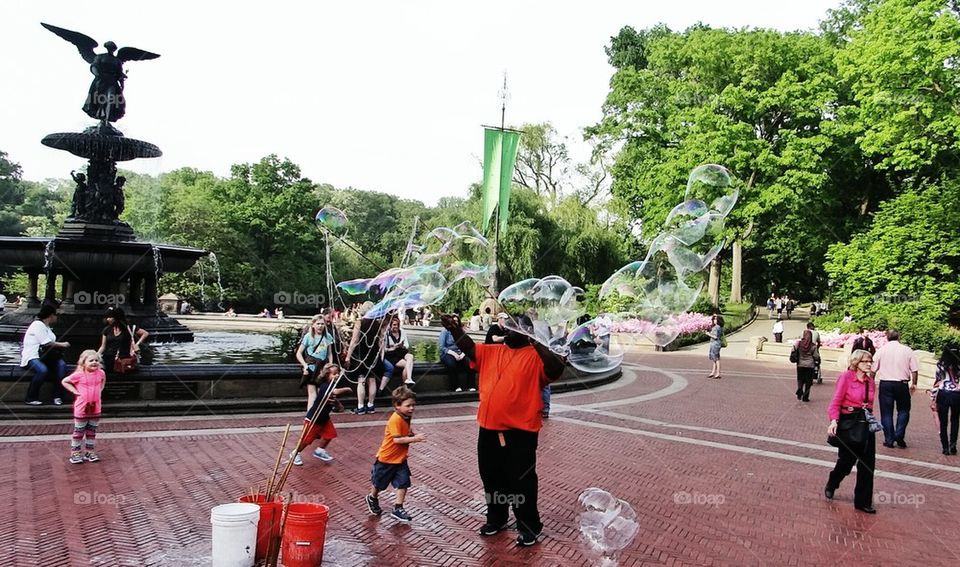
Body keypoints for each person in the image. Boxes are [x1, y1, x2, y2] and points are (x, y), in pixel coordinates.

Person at [440, 313, 565, 546]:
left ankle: (529, 525)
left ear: (527, 332)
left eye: (512, 328)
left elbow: (557, 369)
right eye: (505, 327)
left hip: (521, 432)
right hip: (488, 428)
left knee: (521, 480)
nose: (505, 331)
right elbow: (469, 347)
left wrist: (536, 342)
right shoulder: (492, 351)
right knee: (491, 477)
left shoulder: (536, 357)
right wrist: (455, 330)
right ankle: (496, 518)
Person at [825, 349, 878, 514]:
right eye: (865, 361)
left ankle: (862, 501)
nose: (869, 364)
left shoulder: (871, 381)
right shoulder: (846, 378)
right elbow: (836, 401)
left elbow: (870, 404)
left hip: (865, 423)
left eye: (870, 361)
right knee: (846, 462)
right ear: (856, 362)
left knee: (867, 464)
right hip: (849, 422)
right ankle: (833, 482)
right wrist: (834, 420)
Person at [364, 386, 426, 523]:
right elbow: (397, 440)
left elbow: (406, 432)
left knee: (403, 483)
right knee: (379, 483)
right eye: (408, 406)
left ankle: (398, 507)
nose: (412, 409)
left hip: (400, 459)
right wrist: (415, 439)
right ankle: (372, 497)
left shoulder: (406, 416)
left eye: (413, 405)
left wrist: (411, 434)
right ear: (397, 406)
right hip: (386, 459)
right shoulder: (395, 419)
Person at [290, 363, 351, 466]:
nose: (337, 376)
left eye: (338, 373)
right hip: (314, 418)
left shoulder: (330, 386)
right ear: (327, 375)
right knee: (307, 439)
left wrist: (338, 405)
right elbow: (334, 392)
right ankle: (295, 453)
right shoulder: (324, 386)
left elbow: (332, 399)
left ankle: (320, 450)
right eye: (334, 374)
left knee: (330, 434)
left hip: (324, 418)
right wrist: (347, 389)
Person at [872, 329, 919, 449]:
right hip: (902, 384)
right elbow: (914, 370)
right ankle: (899, 434)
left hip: (886, 383)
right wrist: (914, 383)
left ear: (887, 337)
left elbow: (873, 369)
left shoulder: (881, 350)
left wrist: (870, 382)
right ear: (899, 337)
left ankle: (889, 439)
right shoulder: (907, 350)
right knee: (904, 410)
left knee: (886, 412)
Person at [60, 350, 106, 464]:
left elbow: (103, 382)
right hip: (82, 408)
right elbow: (65, 381)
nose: (94, 362)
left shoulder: (101, 373)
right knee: (79, 432)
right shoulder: (79, 375)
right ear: (83, 362)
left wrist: (99, 390)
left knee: (92, 431)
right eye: (91, 360)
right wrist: (75, 392)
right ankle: (75, 453)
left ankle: (89, 451)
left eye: (96, 360)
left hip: (95, 408)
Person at [22, 303, 70, 405]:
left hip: (47, 356)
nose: (56, 317)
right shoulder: (37, 324)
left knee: (62, 366)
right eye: (56, 315)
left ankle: (57, 396)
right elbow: (46, 342)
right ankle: (31, 397)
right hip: (33, 356)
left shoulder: (47, 327)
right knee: (42, 370)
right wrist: (63, 344)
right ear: (51, 315)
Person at [346, 303, 388, 414]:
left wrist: (348, 356)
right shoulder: (377, 324)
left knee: (361, 380)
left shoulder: (359, 322)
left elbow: (354, 340)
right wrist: (381, 355)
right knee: (372, 380)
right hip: (373, 353)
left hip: (362, 353)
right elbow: (381, 340)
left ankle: (360, 406)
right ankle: (371, 405)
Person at [296, 315, 335, 408]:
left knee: (322, 392)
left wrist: (330, 364)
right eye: (318, 324)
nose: (320, 326)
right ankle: (310, 415)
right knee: (312, 393)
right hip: (312, 366)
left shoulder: (327, 336)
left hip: (322, 367)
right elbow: (299, 353)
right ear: (313, 325)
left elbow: (330, 353)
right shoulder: (308, 337)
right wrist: (305, 365)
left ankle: (318, 413)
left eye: (322, 324)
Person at [97, 307, 149, 374]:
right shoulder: (106, 330)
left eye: (110, 317)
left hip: (124, 359)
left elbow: (145, 333)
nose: (108, 319)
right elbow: (103, 346)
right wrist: (96, 355)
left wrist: (137, 344)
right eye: (107, 317)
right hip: (109, 360)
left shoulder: (128, 328)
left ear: (117, 317)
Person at [931, 345, 960, 455]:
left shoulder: (940, 364)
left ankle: (945, 446)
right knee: (955, 420)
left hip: (943, 393)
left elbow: (937, 381)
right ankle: (953, 444)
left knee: (943, 422)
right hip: (957, 394)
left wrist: (933, 397)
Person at [439, 314, 473, 392]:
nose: (455, 323)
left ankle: (471, 385)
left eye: (457, 321)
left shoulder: (461, 331)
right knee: (451, 364)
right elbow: (442, 347)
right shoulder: (445, 331)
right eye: (454, 321)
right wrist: (454, 354)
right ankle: (456, 386)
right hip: (448, 353)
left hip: (460, 352)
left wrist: (462, 354)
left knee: (470, 362)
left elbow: (467, 345)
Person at [381, 317, 416, 391]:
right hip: (392, 355)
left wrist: (402, 345)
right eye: (394, 325)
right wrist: (393, 347)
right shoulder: (386, 334)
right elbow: (384, 349)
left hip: (401, 351)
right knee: (407, 364)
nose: (396, 326)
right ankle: (405, 386)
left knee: (410, 356)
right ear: (391, 325)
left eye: (397, 325)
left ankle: (409, 378)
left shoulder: (402, 332)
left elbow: (407, 345)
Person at [791, 329, 820, 402]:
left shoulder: (799, 344)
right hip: (810, 365)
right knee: (808, 382)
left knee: (800, 379)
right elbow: (816, 356)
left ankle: (800, 390)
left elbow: (793, 350)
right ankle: (805, 397)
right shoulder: (813, 346)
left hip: (800, 364)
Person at [706, 314, 724, 379]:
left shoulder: (717, 327)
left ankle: (717, 373)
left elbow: (715, 337)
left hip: (715, 343)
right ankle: (713, 372)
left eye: (716, 319)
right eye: (714, 319)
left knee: (716, 359)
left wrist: (708, 334)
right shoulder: (719, 327)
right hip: (715, 343)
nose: (714, 320)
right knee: (714, 359)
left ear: (718, 320)